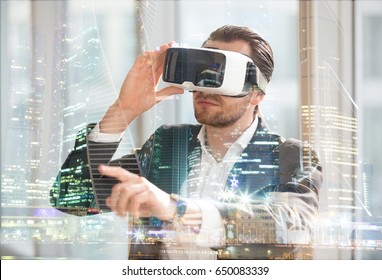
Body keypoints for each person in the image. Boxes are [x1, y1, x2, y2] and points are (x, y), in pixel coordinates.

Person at [50, 25, 322, 259]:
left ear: (256, 95)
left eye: (223, 75)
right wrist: (123, 110)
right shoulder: (168, 144)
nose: (206, 86)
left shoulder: (290, 156)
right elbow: (70, 198)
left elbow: (289, 227)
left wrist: (176, 209)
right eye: (203, 70)